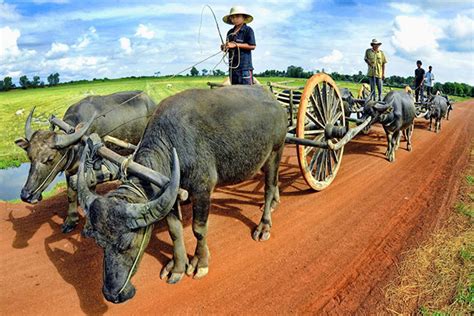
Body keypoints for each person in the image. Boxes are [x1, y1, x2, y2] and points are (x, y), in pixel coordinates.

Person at [221, 6, 256, 85]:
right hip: (232, 69)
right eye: (232, 17)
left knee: (247, 92)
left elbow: (252, 46)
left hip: (244, 68)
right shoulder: (230, 32)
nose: (234, 19)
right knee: (235, 93)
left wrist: (235, 45)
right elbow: (229, 47)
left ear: (244, 17)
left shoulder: (248, 30)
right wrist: (225, 47)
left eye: (237, 16)